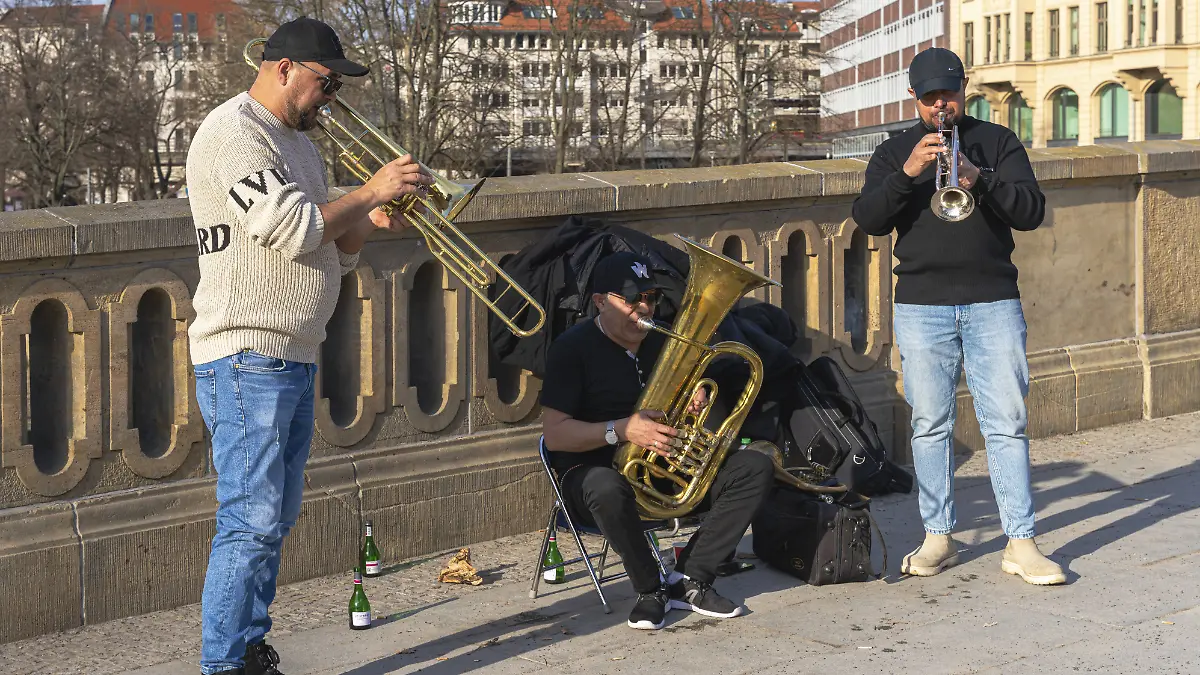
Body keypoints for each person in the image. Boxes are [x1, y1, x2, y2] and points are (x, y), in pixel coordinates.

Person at [185, 17, 434, 675]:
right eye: (326, 83)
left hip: (289, 353)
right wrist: (372, 187)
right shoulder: (235, 133)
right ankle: (223, 662)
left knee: (273, 517)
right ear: (284, 68)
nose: (331, 98)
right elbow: (295, 230)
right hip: (244, 353)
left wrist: (373, 217)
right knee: (250, 519)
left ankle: (248, 648)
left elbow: (336, 250)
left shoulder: (302, 147)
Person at [851, 47, 1066, 586]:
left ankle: (1021, 542)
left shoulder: (996, 141)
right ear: (914, 98)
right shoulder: (895, 150)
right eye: (929, 98)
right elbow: (870, 220)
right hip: (922, 305)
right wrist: (909, 172)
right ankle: (937, 536)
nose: (940, 106)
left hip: (993, 299)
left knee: (1007, 425)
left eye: (948, 95)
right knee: (929, 425)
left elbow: (1032, 211)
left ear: (963, 90)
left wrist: (979, 177)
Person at [539, 251, 775, 630]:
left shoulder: (663, 336)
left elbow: (686, 399)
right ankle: (651, 589)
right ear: (600, 301)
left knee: (755, 464)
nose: (643, 308)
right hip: (592, 475)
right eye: (632, 300)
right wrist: (622, 430)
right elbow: (555, 434)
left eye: (649, 297)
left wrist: (693, 397)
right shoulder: (571, 349)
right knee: (604, 485)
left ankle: (691, 577)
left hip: (661, 468)